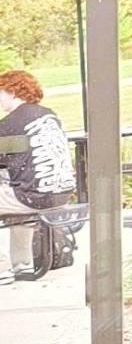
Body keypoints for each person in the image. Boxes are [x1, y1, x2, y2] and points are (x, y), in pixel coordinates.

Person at [0, 71, 79, 280]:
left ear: (13, 92)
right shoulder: (48, 115)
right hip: (61, 194)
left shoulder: (9, 124)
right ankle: (22, 264)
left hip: (34, 198)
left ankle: (2, 265)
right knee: (15, 190)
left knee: (15, 195)